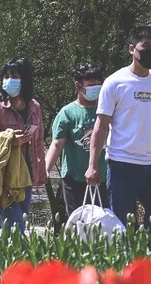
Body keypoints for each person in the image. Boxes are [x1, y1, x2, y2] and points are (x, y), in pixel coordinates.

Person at [86, 26, 151, 244]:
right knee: (122, 228)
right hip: (121, 166)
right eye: (146, 46)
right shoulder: (114, 82)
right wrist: (93, 165)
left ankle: (148, 264)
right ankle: (124, 271)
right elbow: (101, 126)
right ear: (132, 49)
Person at [0, 58, 46, 233]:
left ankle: (5, 260)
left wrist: (40, 176)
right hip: (2, 179)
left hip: (25, 179)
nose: (9, 80)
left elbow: (39, 142)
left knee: (13, 232)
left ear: (25, 79)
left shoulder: (34, 107)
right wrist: (7, 141)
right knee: (17, 232)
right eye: (6, 76)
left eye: (14, 76)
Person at [46, 62, 107, 219]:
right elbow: (57, 144)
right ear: (78, 85)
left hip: (104, 178)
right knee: (78, 223)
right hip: (75, 180)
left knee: (105, 226)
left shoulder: (106, 109)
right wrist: (45, 169)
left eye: (98, 84)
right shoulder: (67, 113)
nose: (96, 88)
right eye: (91, 84)